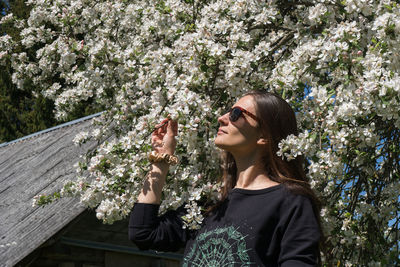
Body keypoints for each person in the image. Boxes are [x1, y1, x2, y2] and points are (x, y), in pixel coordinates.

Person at [129, 91, 322, 266]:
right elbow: (143, 233)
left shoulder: (291, 202)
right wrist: (161, 161)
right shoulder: (209, 203)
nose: (222, 118)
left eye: (236, 114)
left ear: (264, 135)